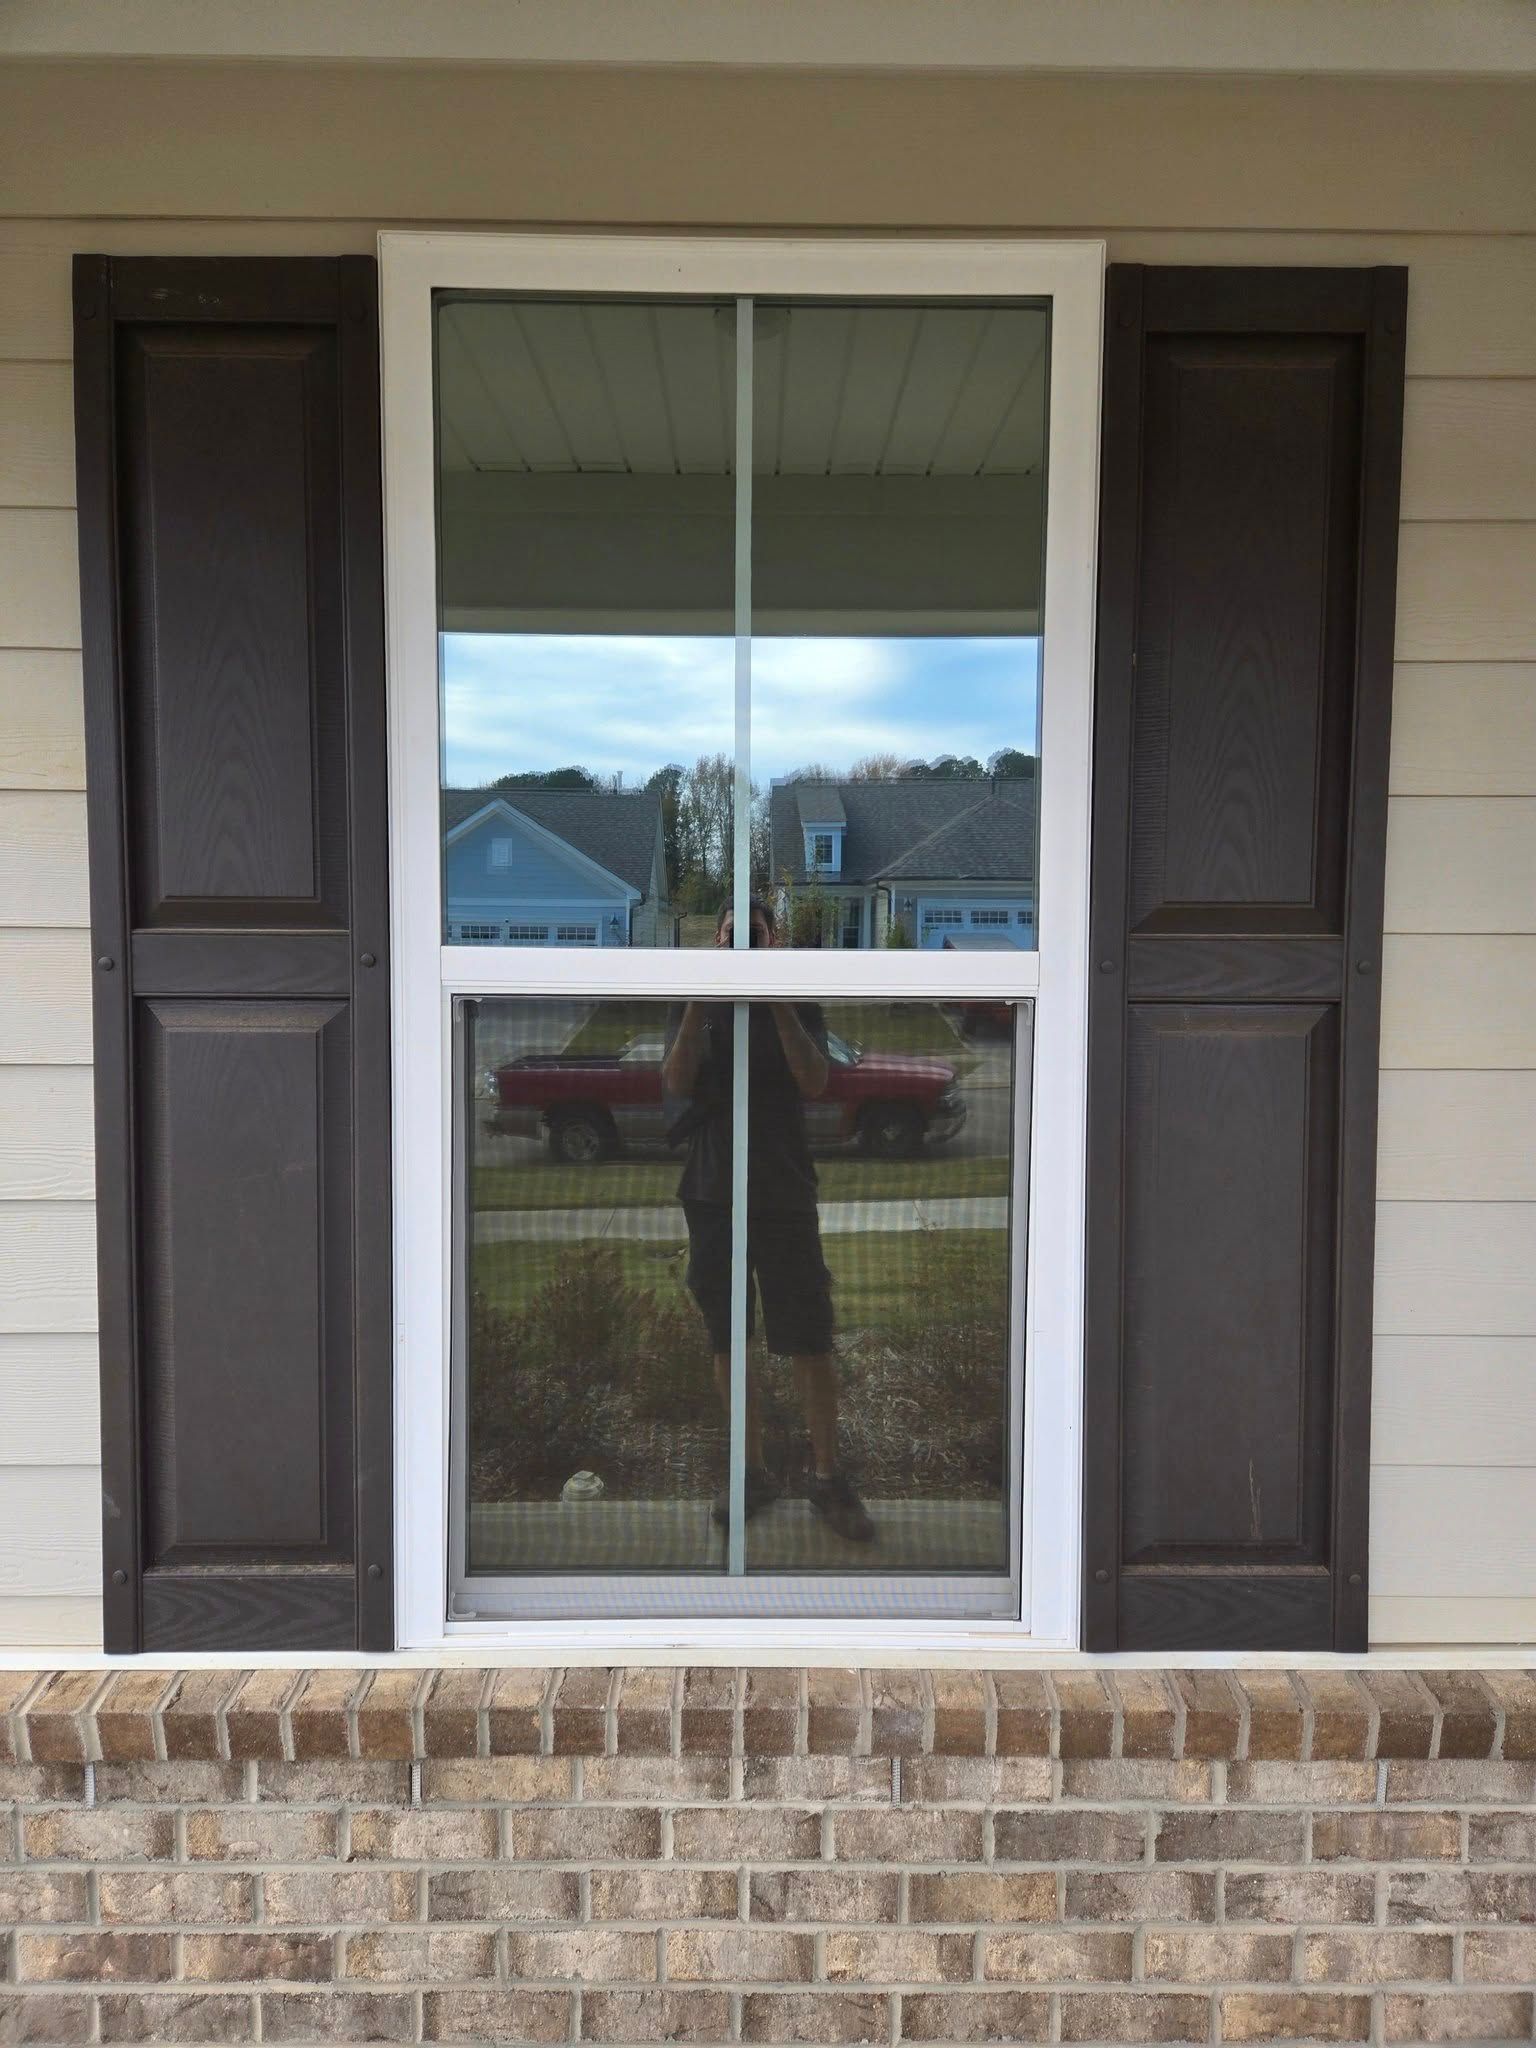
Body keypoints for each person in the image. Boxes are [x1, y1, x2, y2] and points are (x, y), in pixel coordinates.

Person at [661, 897, 875, 1544]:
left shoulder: (798, 997)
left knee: (809, 1335)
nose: (743, 945)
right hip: (712, 1188)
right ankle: (748, 1471)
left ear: (774, 937)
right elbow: (674, 1079)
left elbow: (815, 1080)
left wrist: (775, 994)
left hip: (782, 1188)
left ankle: (828, 1477)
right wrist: (707, 990)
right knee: (729, 1339)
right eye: (733, 935)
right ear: (717, 937)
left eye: (752, 935)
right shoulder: (696, 998)